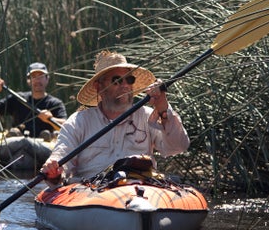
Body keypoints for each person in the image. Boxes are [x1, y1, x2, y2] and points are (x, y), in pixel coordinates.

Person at [41, 50, 190, 183]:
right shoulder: (78, 121)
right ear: (99, 87)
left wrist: (163, 108)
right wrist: (54, 168)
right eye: (117, 80)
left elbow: (178, 147)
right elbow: (61, 157)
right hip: (91, 193)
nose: (125, 85)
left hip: (140, 190)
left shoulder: (146, 116)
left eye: (129, 80)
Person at [0, 62, 67, 137]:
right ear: (28, 80)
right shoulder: (17, 98)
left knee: (46, 135)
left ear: (47, 79)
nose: (37, 80)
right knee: (14, 133)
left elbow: (66, 127)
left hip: (44, 146)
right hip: (17, 143)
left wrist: (50, 119)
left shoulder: (55, 103)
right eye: (33, 77)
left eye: (41, 76)